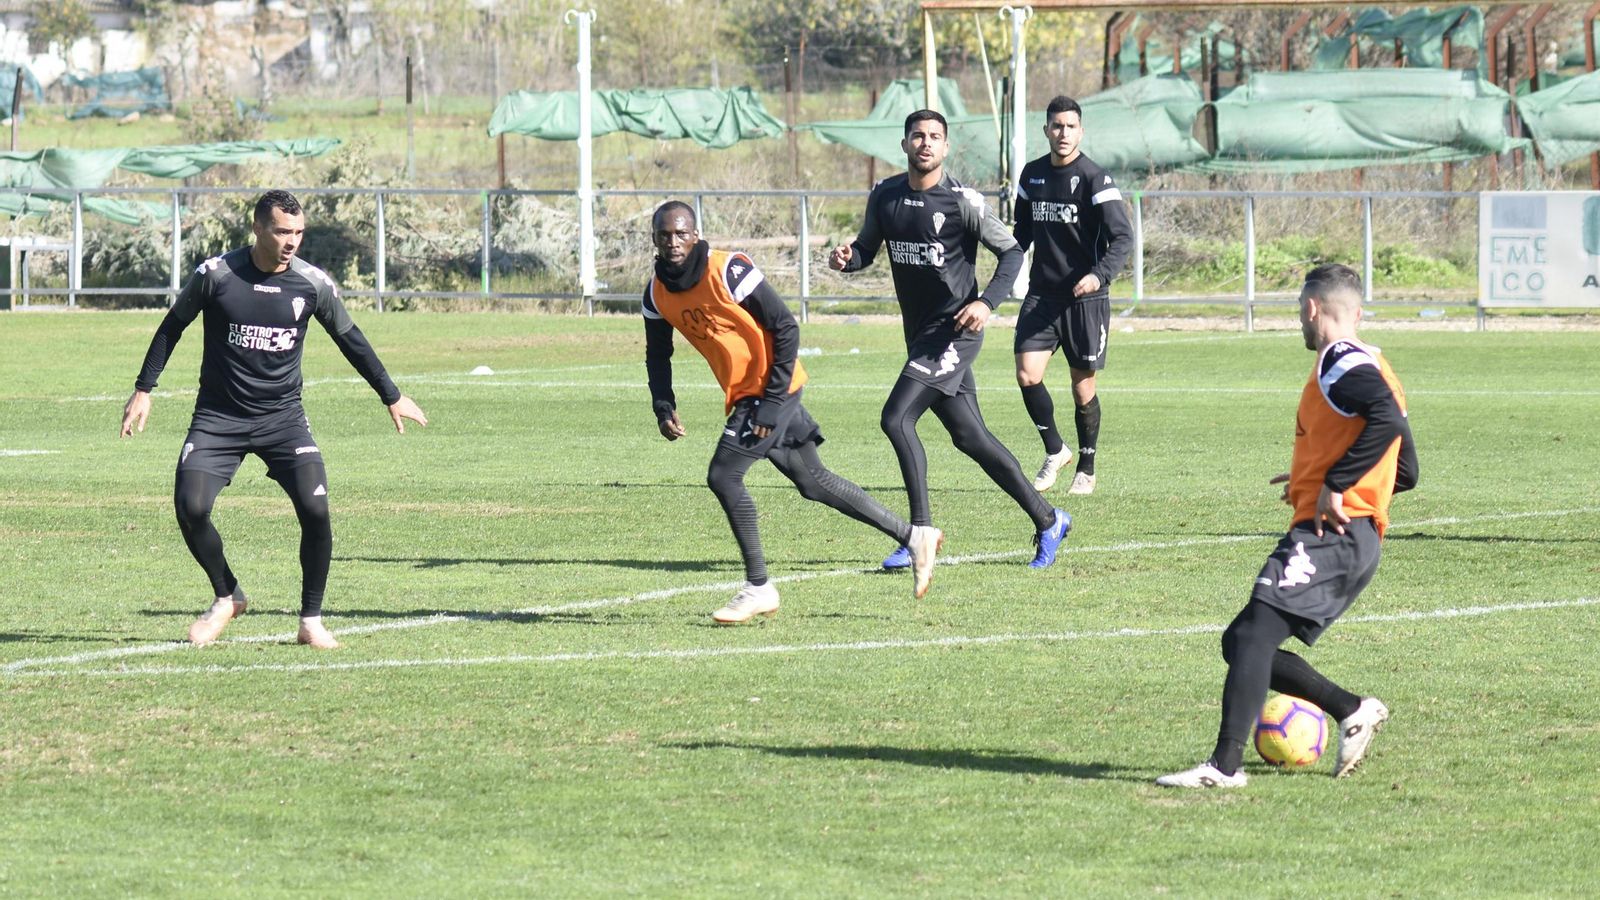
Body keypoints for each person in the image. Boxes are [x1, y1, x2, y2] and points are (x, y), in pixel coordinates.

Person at [120, 190, 427, 650]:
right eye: (283, 231)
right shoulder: (217, 275)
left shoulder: (312, 284)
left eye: (299, 232)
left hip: (283, 419)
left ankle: (310, 620)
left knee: (316, 508)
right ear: (258, 229)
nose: (292, 242)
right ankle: (227, 596)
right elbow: (172, 326)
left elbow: (350, 338)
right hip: (219, 418)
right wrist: (144, 389)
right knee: (191, 507)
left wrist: (391, 394)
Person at [1157, 264, 1417, 788]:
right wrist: (1311, 474)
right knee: (1241, 641)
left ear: (1312, 308)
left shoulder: (1338, 360)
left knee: (1253, 634)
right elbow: (1406, 469)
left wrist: (1335, 483)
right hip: (1351, 534)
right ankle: (1351, 709)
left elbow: (1384, 419)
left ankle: (1223, 768)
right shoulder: (1375, 362)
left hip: (1334, 533)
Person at [644, 201, 941, 622]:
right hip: (750, 394)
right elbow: (658, 353)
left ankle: (758, 586)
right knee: (814, 482)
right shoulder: (655, 293)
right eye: (664, 235)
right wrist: (663, 404)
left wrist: (772, 400)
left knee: (723, 475)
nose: (673, 242)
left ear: (695, 235)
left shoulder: (729, 270)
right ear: (654, 239)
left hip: (770, 388)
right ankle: (913, 537)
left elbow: (785, 325)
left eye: (681, 234)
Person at [829, 109, 1071, 572]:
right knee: (971, 438)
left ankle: (919, 534)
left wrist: (986, 303)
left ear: (946, 147)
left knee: (896, 419)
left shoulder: (963, 202)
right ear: (904, 144)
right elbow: (866, 248)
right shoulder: (885, 196)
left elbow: (1013, 252)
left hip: (954, 335)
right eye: (917, 136)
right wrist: (848, 259)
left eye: (934, 137)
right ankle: (1048, 519)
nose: (925, 143)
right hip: (919, 337)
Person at [1011, 95, 1134, 495]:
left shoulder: (1096, 179)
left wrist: (1098, 276)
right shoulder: (1031, 176)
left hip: (1085, 302)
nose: (1063, 133)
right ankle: (1055, 449)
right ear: (1046, 130)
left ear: (1081, 131)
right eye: (1056, 126)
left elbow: (1122, 238)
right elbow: (1021, 235)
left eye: (1070, 126)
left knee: (1083, 387)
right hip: (1042, 296)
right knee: (1028, 374)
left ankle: (1086, 465)